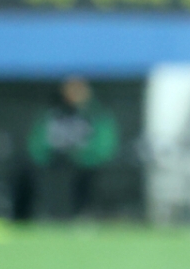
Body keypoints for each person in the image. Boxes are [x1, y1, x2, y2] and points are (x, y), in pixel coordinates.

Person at [25, 78, 119, 219]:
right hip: (54, 164)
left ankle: (83, 215)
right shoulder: (52, 113)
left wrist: (83, 156)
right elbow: (37, 142)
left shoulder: (97, 114)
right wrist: (47, 156)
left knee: (86, 180)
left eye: (79, 89)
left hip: (87, 165)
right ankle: (48, 214)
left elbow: (105, 144)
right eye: (71, 89)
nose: (74, 94)